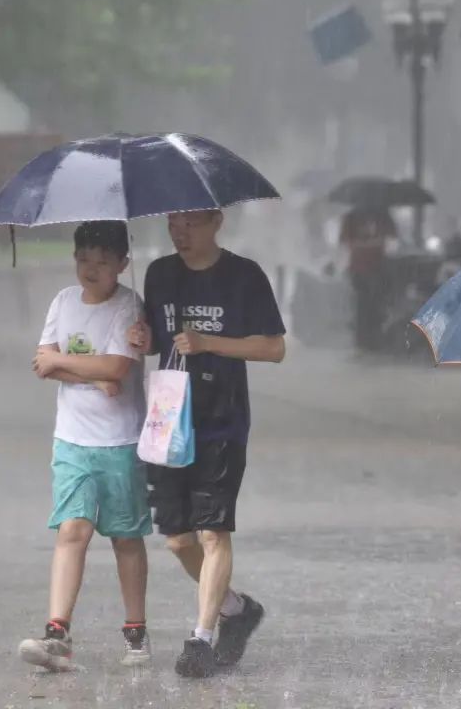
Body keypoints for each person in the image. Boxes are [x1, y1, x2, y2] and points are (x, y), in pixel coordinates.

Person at [127, 209, 286, 678]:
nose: (180, 232)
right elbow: (161, 342)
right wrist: (144, 338)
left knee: (214, 531)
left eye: (190, 223)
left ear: (215, 221)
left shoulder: (243, 275)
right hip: (169, 420)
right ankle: (236, 610)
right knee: (178, 541)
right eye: (173, 223)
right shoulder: (159, 273)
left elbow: (274, 348)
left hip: (222, 420)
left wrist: (211, 342)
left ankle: (200, 639)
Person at [19, 220, 152, 671]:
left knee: (125, 537)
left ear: (121, 264)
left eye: (101, 261)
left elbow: (118, 366)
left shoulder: (128, 306)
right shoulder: (63, 301)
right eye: (83, 260)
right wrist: (93, 375)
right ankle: (57, 631)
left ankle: (136, 628)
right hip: (72, 440)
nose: (90, 269)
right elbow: (44, 363)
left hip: (120, 442)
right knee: (72, 530)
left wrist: (82, 366)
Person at [339, 206, 397, 351]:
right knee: (362, 305)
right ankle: (362, 340)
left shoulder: (383, 215)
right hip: (359, 268)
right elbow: (344, 240)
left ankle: (374, 339)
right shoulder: (351, 218)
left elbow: (393, 235)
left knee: (376, 304)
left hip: (378, 267)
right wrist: (367, 244)